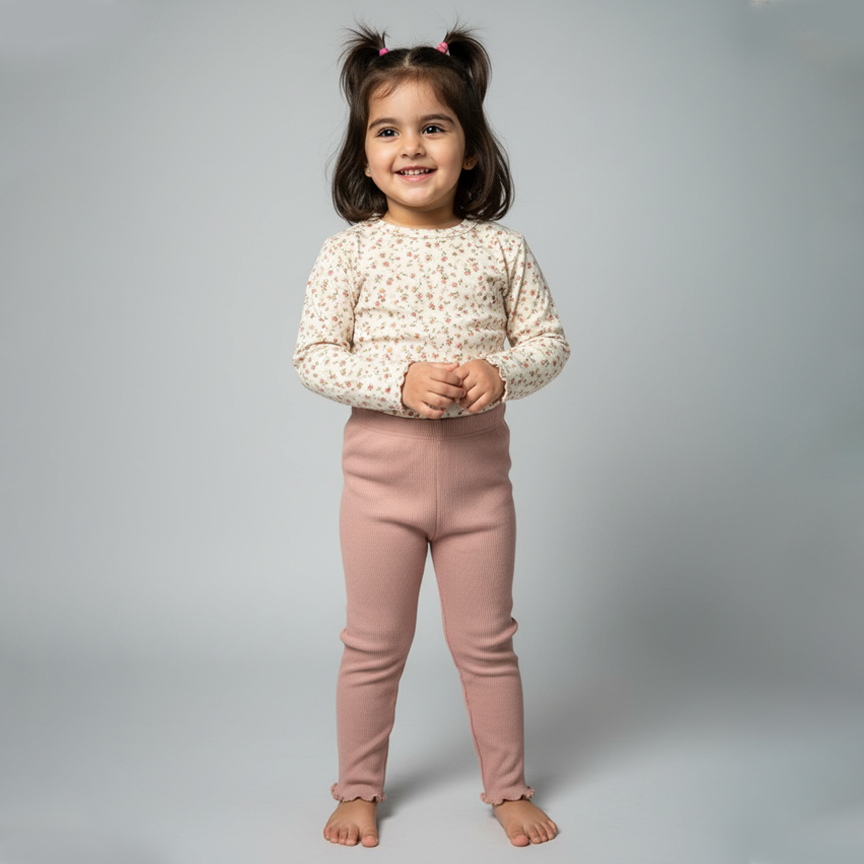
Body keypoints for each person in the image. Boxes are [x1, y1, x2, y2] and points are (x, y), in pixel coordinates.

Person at [293, 24, 569, 848]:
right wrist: (399, 383)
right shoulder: (349, 255)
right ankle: (357, 789)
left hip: (480, 499)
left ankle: (507, 787)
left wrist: (501, 372)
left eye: (434, 127)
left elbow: (549, 343)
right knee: (373, 646)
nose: (411, 147)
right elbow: (313, 356)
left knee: (488, 645)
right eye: (388, 130)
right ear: (365, 155)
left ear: (472, 150)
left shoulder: (503, 250)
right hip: (380, 497)